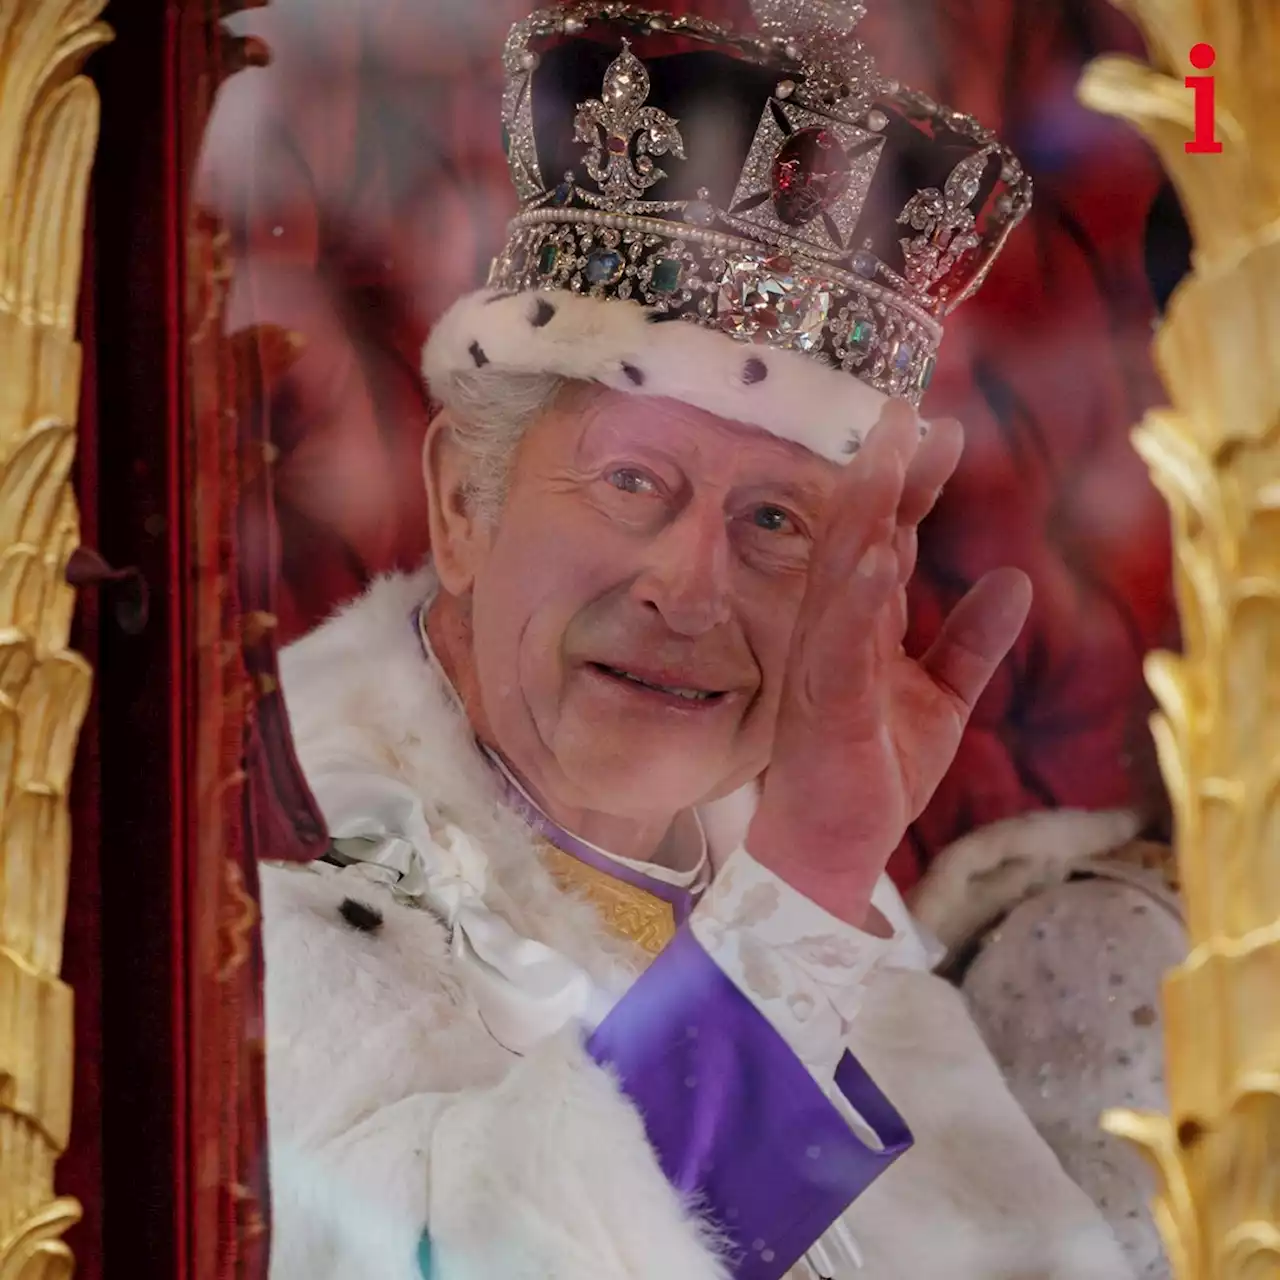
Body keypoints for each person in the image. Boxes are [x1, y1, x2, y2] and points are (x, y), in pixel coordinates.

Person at [259, 2, 1155, 1276]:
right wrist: (798, 893)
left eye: (776, 520)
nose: (690, 589)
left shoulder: (789, 878)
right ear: (466, 497)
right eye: (633, 484)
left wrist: (809, 884)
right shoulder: (275, 874)